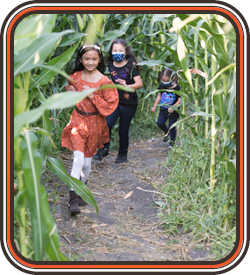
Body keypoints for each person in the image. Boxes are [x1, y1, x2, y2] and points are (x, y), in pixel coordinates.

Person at [61, 43, 119, 214]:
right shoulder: (75, 76)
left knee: (86, 165)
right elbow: (70, 87)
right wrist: (70, 89)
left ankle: (81, 190)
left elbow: (110, 106)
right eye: (86, 58)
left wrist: (92, 95)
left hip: (95, 125)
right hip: (78, 121)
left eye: (94, 58)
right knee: (77, 161)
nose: (90, 62)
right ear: (81, 59)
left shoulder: (104, 81)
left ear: (99, 59)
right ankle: (72, 200)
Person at [94, 38, 143, 163]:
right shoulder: (110, 64)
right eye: (114, 50)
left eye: (120, 50)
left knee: (123, 130)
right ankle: (103, 149)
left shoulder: (130, 66)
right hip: (114, 101)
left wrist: (127, 86)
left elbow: (139, 84)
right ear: (111, 51)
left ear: (125, 52)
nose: (117, 52)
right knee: (107, 124)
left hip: (129, 104)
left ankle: (122, 155)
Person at [151, 68, 181, 148]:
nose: (165, 83)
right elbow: (159, 96)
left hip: (173, 112)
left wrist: (173, 107)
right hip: (163, 110)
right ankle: (166, 132)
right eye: (163, 80)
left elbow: (179, 100)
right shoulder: (162, 86)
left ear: (173, 78)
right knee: (160, 123)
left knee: (172, 126)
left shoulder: (177, 88)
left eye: (167, 81)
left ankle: (172, 142)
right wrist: (155, 105)